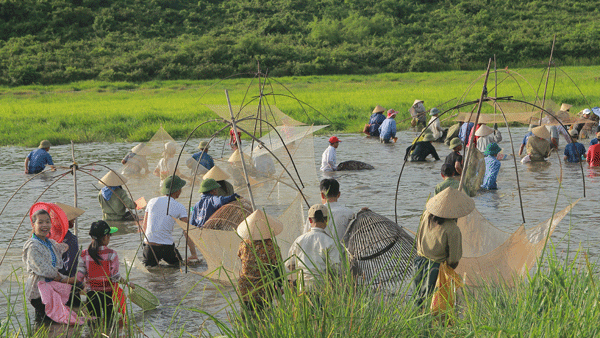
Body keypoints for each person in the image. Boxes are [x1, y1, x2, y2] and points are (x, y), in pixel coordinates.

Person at [413, 187, 474, 307]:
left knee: (418, 299)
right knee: (432, 303)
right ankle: (429, 325)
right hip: (435, 269)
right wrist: (449, 267)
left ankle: (416, 323)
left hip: (418, 262)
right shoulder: (452, 229)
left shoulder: (426, 215)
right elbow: (454, 259)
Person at [23, 208, 77, 322]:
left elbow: (61, 252)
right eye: (40, 222)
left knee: (50, 321)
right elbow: (44, 269)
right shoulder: (33, 246)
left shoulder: (50, 243)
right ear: (33, 224)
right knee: (46, 321)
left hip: (49, 288)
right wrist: (63, 279)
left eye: (47, 222)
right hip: (38, 291)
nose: (45, 225)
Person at [77, 221, 128, 325]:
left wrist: (80, 288)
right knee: (109, 322)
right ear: (105, 237)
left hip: (91, 294)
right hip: (107, 294)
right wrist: (127, 283)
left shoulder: (84, 254)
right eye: (109, 235)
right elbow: (114, 276)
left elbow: (80, 276)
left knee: (93, 322)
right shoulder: (111, 254)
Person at [142, 175, 197, 266]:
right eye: (180, 189)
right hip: (167, 248)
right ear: (177, 191)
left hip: (149, 246)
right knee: (179, 267)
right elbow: (187, 232)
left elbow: (144, 226)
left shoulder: (151, 201)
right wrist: (193, 253)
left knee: (149, 272)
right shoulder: (180, 207)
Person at [236, 210, 283, 311]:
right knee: (263, 319)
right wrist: (279, 287)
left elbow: (242, 262)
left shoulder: (243, 245)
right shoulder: (271, 247)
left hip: (244, 288)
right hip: (262, 290)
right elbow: (277, 271)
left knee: (247, 318)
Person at [286, 204, 341, 290]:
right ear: (327, 220)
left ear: (310, 220)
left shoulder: (299, 240)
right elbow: (335, 269)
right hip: (322, 288)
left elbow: (290, 265)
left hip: (302, 287)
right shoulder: (330, 242)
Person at [303, 178, 355, 244]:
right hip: (342, 253)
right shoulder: (349, 213)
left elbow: (305, 236)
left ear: (322, 195)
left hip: (320, 253)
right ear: (339, 194)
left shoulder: (313, 213)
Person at [54, 202, 84, 306]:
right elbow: (71, 266)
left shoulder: (50, 237)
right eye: (72, 218)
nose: (74, 220)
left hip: (51, 283)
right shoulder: (70, 239)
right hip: (68, 284)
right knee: (74, 313)